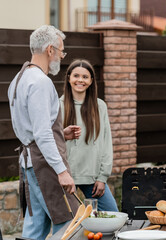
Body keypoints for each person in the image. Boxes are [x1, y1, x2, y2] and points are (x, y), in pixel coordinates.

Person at [7, 25, 80, 240]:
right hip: (44, 166)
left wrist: (62, 134)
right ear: (50, 50)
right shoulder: (40, 82)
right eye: (61, 51)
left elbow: (29, 128)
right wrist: (62, 171)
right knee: (71, 222)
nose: (62, 56)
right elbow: (41, 133)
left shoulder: (18, 79)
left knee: (35, 225)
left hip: (30, 163)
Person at [60, 59, 118, 211]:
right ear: (69, 78)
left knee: (112, 214)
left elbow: (106, 143)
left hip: (92, 177)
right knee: (66, 226)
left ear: (91, 81)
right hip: (65, 178)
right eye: (76, 76)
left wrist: (102, 177)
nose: (80, 80)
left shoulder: (100, 106)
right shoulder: (57, 105)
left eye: (85, 77)